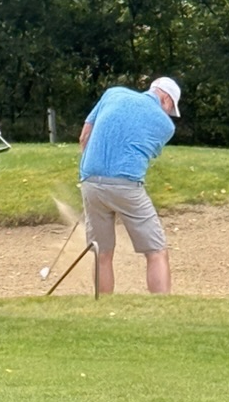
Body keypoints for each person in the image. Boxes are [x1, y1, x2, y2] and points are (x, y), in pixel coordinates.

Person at [78, 76, 182, 294]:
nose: (168, 114)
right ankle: (162, 306)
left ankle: (103, 307)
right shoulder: (166, 126)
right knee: (156, 251)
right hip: (126, 186)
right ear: (166, 99)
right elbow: (148, 151)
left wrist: (90, 170)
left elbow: (85, 136)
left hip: (90, 182)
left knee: (102, 253)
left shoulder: (113, 93)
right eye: (170, 108)